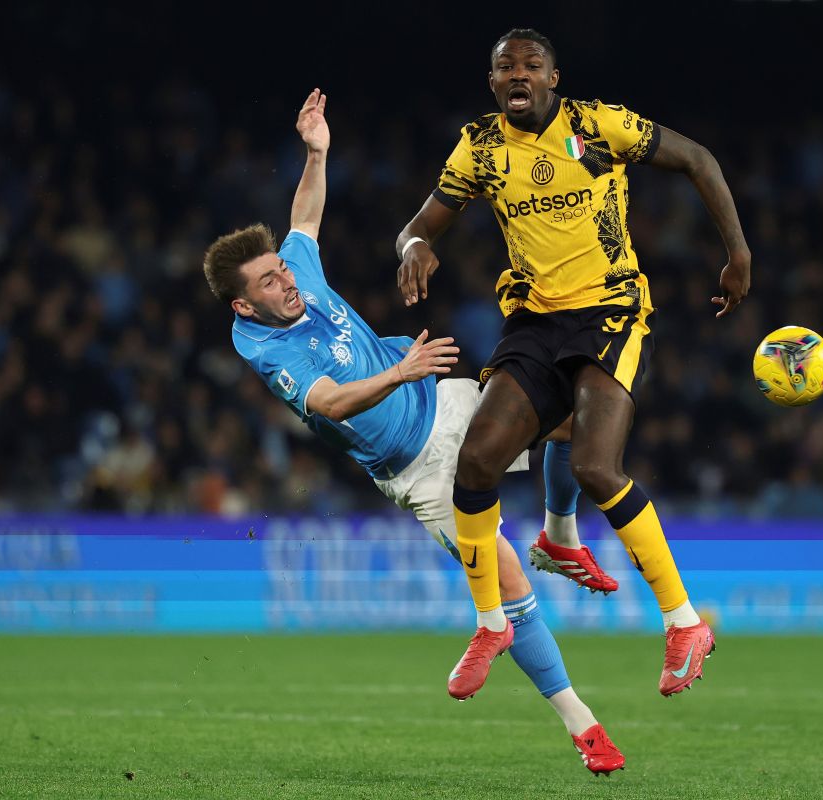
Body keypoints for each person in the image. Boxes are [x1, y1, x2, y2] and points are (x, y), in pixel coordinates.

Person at [202, 89, 624, 776]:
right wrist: (400, 372)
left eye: (282, 270)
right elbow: (332, 404)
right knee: (508, 579)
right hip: (416, 470)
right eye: (271, 283)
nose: (287, 282)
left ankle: (561, 534)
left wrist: (317, 153)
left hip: (445, 396)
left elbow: (304, 217)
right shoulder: (263, 349)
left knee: (583, 410)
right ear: (244, 304)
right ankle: (585, 726)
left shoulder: (294, 272)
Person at [396, 28, 751, 699]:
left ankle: (683, 624)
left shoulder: (599, 125)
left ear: (554, 78)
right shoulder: (479, 147)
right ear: (493, 83)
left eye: (532, 65)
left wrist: (737, 253)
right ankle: (492, 621)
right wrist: (412, 247)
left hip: (610, 310)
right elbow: (418, 224)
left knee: (594, 465)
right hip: (534, 321)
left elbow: (699, 159)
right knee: (476, 463)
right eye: (506, 68)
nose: (518, 74)